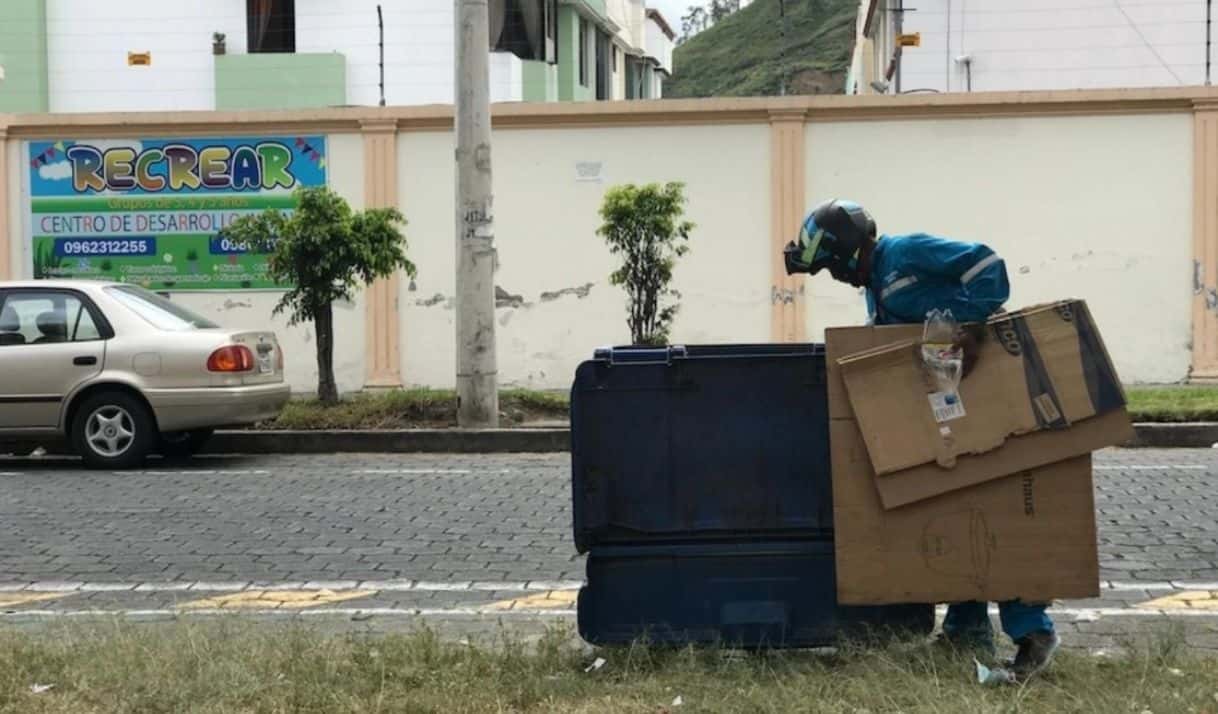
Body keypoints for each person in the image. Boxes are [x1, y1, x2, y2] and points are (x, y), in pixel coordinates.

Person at [782, 198, 1060, 681]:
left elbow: (987, 265)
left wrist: (964, 322)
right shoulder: (875, 287)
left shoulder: (907, 253)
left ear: (850, 250)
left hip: (987, 396)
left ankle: (1033, 632)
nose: (836, 277)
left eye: (832, 267)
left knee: (991, 509)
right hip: (947, 405)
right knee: (955, 510)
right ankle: (965, 630)